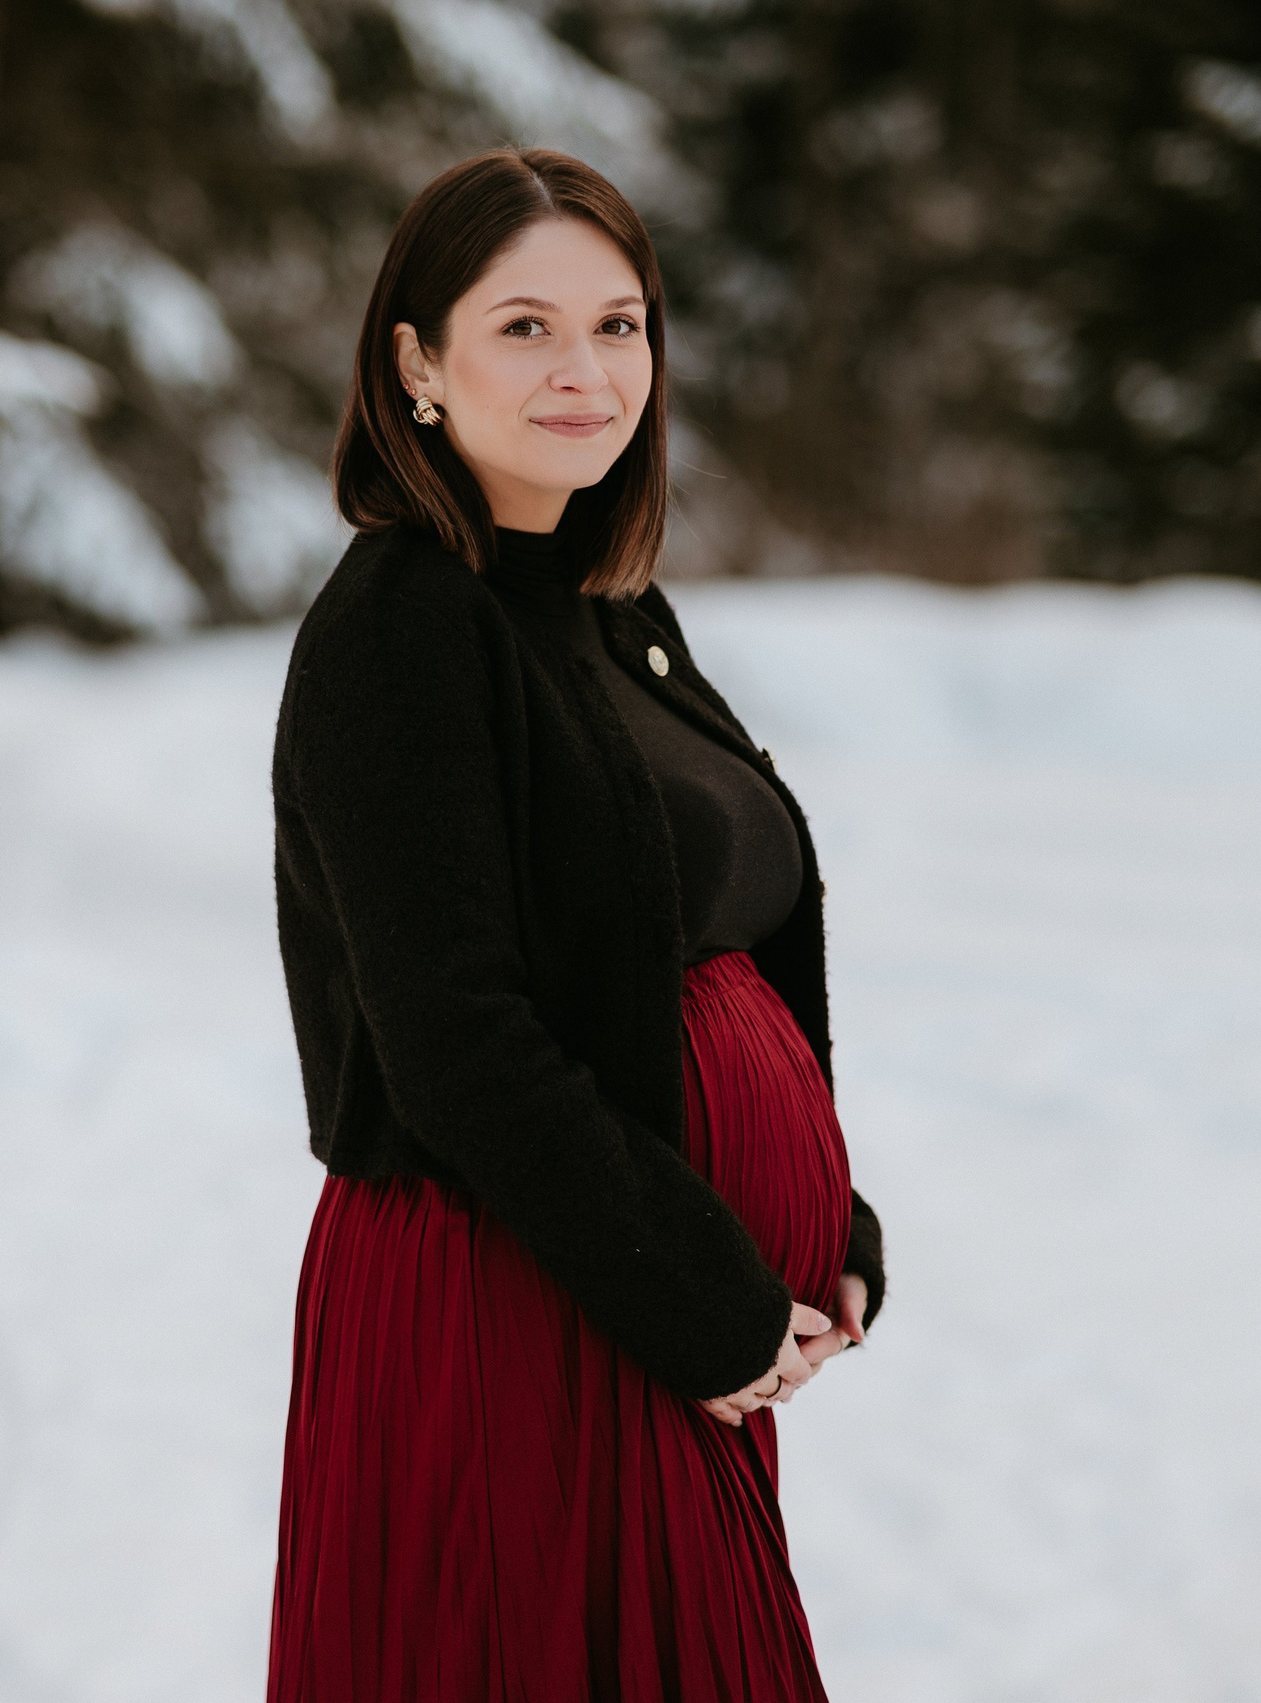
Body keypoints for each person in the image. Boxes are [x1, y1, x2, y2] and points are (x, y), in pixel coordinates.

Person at [266, 146, 887, 1701]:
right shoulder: (402, 633)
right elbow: (458, 1044)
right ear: (416, 361)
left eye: (620, 326)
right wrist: (706, 1291)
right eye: (526, 327)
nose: (586, 369)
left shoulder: (610, 614)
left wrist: (825, 1227)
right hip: (505, 1315)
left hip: (643, 1300)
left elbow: (711, 938)